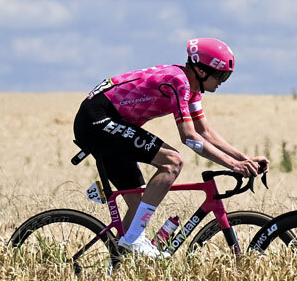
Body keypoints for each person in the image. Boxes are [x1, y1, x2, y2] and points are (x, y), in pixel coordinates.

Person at [73, 38, 269, 257]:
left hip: (111, 122)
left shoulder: (192, 87)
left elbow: (205, 132)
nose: (222, 81)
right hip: (96, 120)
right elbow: (189, 137)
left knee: (138, 205)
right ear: (201, 70)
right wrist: (233, 164)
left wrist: (244, 160)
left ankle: (118, 262)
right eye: (220, 75)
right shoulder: (178, 82)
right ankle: (134, 239)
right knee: (172, 161)